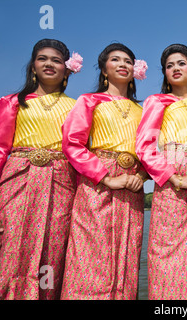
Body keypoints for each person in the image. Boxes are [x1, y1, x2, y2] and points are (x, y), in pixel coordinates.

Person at [0, 39, 81, 299]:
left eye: (56, 60)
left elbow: (79, 153)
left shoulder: (78, 106)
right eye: (42, 58)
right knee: (6, 251)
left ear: (66, 70)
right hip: (16, 183)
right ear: (33, 66)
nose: (49, 64)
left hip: (62, 186)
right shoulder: (11, 102)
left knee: (51, 254)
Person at [60, 43, 148, 300]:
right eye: (115, 60)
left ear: (135, 70)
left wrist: (139, 177)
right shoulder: (89, 101)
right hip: (97, 183)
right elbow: (72, 143)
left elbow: (151, 152)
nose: (123, 64)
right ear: (104, 69)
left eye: (128, 61)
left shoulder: (143, 111)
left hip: (132, 186)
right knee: (90, 254)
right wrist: (108, 178)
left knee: (127, 255)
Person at [135, 44, 187, 300]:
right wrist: (173, 176)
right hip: (172, 187)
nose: (175, 68)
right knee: (169, 255)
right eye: (169, 66)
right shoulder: (157, 102)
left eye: (181, 63)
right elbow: (145, 146)